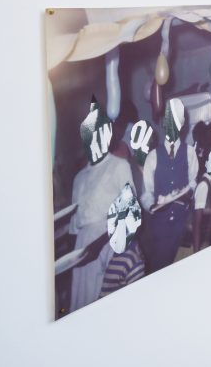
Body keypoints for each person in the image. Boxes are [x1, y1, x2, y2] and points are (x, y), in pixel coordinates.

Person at [67, 98, 133, 313]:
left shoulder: (119, 166)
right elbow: (73, 227)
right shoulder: (78, 178)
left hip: (107, 248)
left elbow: (130, 214)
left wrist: (101, 246)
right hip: (80, 252)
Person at [140, 99, 198, 273]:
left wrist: (189, 193)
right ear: (164, 123)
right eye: (169, 121)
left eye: (176, 122)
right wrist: (152, 206)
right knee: (161, 274)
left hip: (185, 227)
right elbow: (146, 193)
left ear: (182, 125)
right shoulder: (152, 157)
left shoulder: (190, 152)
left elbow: (194, 182)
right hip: (160, 230)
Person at [191, 122, 211, 253]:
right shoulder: (204, 186)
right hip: (199, 247)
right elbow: (196, 227)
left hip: (207, 244)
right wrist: (197, 253)